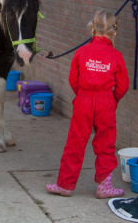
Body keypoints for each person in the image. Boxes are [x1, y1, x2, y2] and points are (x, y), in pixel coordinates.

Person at [46, 10, 129, 198]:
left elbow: (73, 79)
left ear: (93, 28)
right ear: (113, 31)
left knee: (75, 142)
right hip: (105, 101)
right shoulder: (116, 56)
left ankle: (66, 185)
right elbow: (123, 86)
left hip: (84, 99)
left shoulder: (82, 52)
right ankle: (104, 185)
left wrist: (83, 96)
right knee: (106, 143)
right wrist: (112, 100)